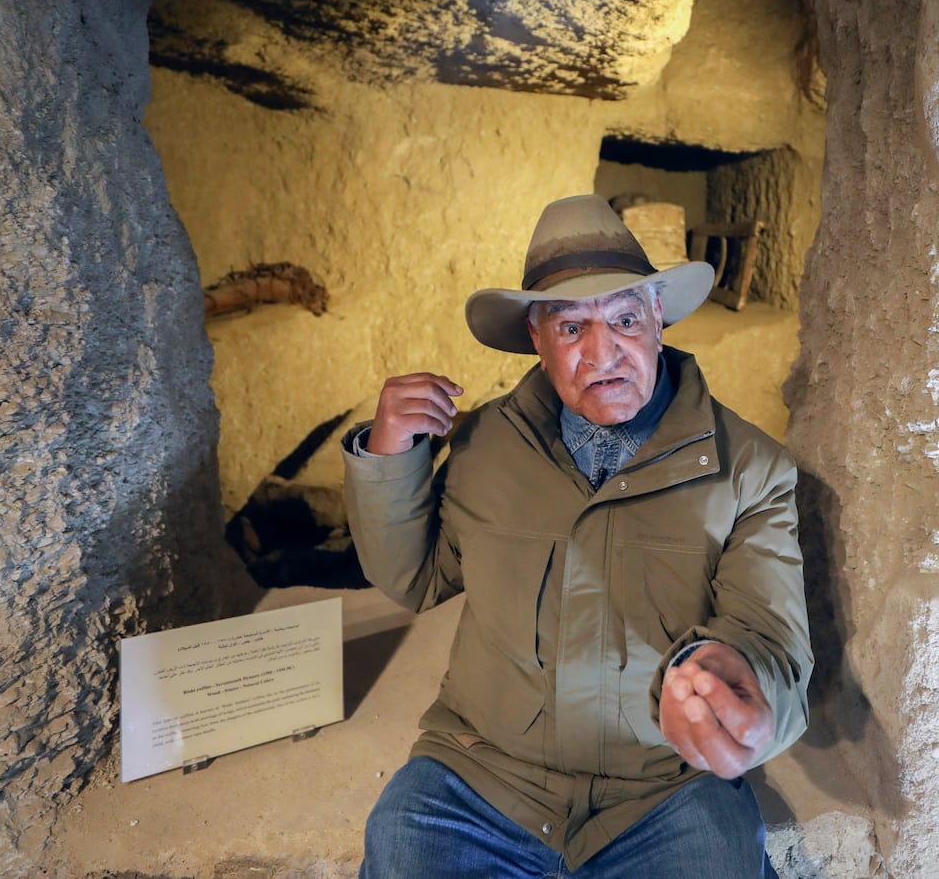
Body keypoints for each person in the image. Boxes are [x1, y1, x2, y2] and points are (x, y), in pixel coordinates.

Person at [343, 194, 812, 878]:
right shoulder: (485, 444)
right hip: (481, 775)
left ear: (658, 317)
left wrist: (740, 679)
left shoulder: (750, 467)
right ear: (537, 338)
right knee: (401, 846)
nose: (602, 354)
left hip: (663, 788)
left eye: (623, 318)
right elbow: (415, 578)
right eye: (570, 328)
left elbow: (768, 633)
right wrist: (390, 457)